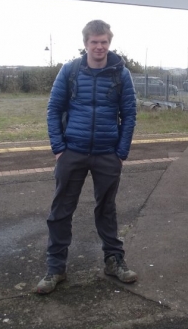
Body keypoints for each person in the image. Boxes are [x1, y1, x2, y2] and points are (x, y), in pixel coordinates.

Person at [37, 19, 138, 294]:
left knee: (107, 210)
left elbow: (129, 115)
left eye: (104, 41)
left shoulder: (121, 74)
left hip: (107, 154)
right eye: (94, 42)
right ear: (85, 44)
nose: (99, 47)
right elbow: (53, 109)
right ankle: (55, 269)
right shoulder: (70, 70)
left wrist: (121, 153)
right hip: (73, 152)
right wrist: (59, 149)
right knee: (60, 212)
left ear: (109, 43)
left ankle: (113, 260)